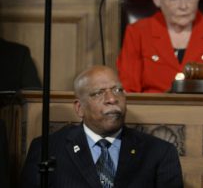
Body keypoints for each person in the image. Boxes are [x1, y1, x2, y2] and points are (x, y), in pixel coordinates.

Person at [20, 65, 183, 187]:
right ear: (79, 108)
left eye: (118, 90)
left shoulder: (159, 152)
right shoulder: (47, 149)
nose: (112, 99)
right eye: (99, 93)